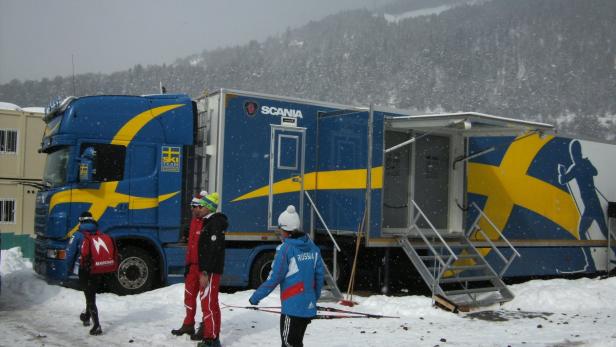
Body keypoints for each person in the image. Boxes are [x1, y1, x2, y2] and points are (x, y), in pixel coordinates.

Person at [249, 205, 324, 347]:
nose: (279, 233)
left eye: (280, 230)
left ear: (287, 232)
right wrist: (313, 299)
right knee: (297, 343)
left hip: (292, 308)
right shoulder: (313, 247)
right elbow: (319, 277)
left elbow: (274, 278)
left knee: (288, 343)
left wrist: (256, 297)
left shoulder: (286, 250)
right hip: (307, 306)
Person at [172, 191, 208, 340]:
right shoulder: (194, 222)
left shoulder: (208, 223)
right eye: (192, 206)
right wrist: (187, 265)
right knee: (189, 296)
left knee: (205, 299)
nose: (192, 209)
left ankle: (206, 326)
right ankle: (188, 324)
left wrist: (206, 270)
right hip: (192, 266)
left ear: (202, 207)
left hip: (203, 268)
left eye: (195, 206)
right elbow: (191, 246)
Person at [65, 212, 108, 335]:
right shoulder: (99, 233)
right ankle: (86, 317)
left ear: (81, 221)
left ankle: (97, 325)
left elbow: (70, 254)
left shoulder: (78, 235)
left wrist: (68, 268)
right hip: (98, 268)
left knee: (90, 297)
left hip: (85, 269)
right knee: (90, 293)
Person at [195, 192, 228, 347]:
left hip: (211, 271)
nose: (198, 209)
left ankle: (211, 339)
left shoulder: (213, 224)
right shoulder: (210, 222)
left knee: (208, 304)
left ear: (208, 208)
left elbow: (212, 250)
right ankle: (212, 337)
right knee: (211, 303)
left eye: (201, 206)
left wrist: (206, 272)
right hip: (211, 269)